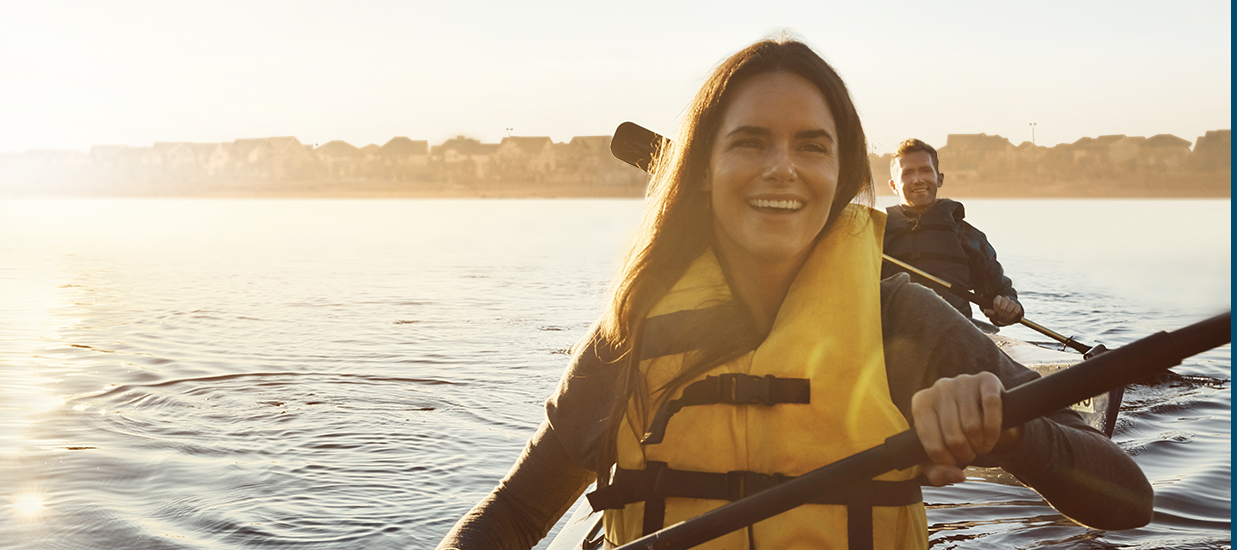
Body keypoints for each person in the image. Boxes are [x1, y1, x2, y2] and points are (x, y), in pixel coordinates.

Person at [434, 37, 1149, 550]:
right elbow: (514, 516)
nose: (783, 168)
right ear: (703, 171)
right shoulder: (629, 338)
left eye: (812, 145)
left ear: (840, 179)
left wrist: (1013, 436)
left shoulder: (903, 322)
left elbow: (1128, 500)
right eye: (749, 142)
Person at [881, 139, 1025, 328]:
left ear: (939, 179)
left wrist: (1008, 306)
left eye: (925, 170)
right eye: (907, 173)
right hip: (894, 337)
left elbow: (999, 292)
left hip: (955, 337)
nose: (917, 179)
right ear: (894, 185)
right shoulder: (875, 232)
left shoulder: (967, 235)